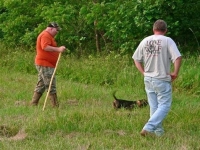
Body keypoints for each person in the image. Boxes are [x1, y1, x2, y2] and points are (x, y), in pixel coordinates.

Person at [132, 19, 182, 136]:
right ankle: (148, 128)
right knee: (164, 106)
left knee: (154, 107)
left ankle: (158, 132)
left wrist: (143, 72)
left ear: (153, 29)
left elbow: (136, 59)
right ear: (165, 30)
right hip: (161, 78)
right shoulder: (167, 40)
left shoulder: (145, 40)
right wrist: (175, 72)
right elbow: (178, 57)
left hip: (148, 78)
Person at [30, 22, 66, 107]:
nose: (57, 32)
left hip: (47, 64)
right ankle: (55, 106)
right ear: (51, 28)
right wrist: (58, 49)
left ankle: (33, 104)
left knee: (42, 84)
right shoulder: (45, 35)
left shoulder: (49, 36)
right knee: (50, 84)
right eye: (56, 30)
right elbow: (45, 47)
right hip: (44, 63)